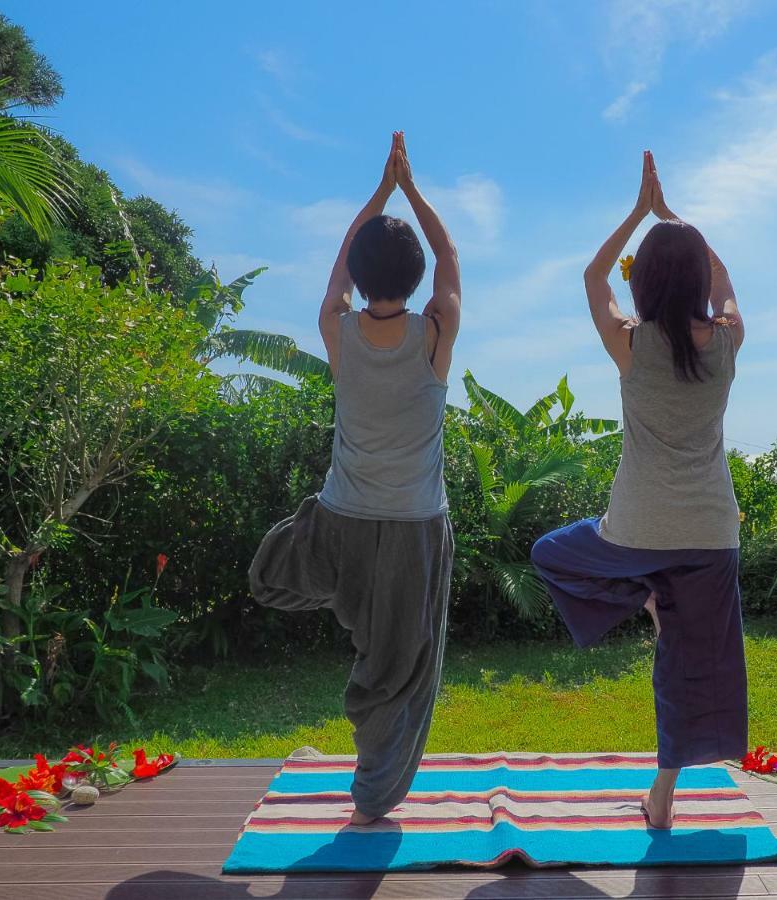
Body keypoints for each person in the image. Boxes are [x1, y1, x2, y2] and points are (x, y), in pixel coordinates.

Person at [249, 132, 460, 826]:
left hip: (339, 519)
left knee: (272, 574)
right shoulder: (433, 332)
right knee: (398, 666)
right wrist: (411, 188)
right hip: (411, 530)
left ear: (361, 277)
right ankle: (373, 797)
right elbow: (450, 260)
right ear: (415, 275)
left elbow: (340, 267)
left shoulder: (335, 329)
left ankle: (340, 591)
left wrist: (379, 192)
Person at [530, 150, 746, 829]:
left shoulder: (630, 342)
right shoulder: (728, 340)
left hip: (634, 533)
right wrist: (677, 221)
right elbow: (723, 278)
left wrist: (642, 212)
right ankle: (663, 798)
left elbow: (594, 275)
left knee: (551, 553)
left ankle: (644, 594)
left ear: (647, 282)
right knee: (685, 670)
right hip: (711, 533)